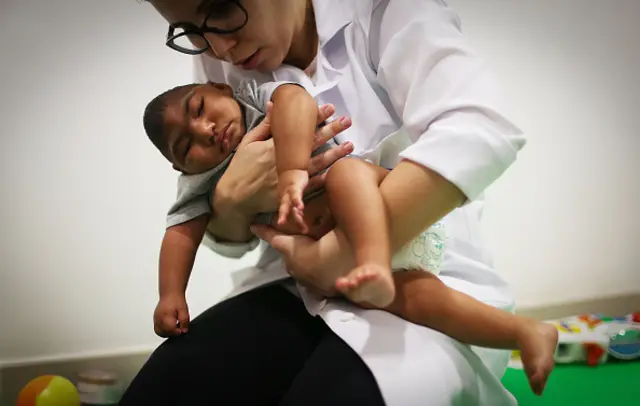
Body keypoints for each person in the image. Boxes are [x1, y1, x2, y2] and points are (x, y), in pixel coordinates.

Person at [121, 0, 543, 404]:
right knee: (167, 388)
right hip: (292, 278)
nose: (218, 49)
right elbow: (223, 233)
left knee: (344, 382)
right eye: (191, 32)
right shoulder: (219, 60)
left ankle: (515, 330)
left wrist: (342, 255)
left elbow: (480, 128)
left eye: (222, 8)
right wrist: (231, 198)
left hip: (414, 252)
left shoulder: (386, 10)